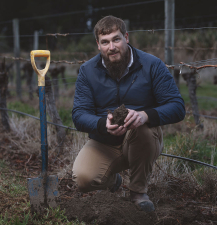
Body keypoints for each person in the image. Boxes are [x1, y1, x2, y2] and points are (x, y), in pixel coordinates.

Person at [72, 15, 185, 212]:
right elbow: (79, 114)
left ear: (126, 37)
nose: (111, 47)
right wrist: (102, 125)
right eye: (105, 42)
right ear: (98, 45)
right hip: (105, 139)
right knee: (83, 180)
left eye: (116, 39)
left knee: (141, 129)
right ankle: (113, 181)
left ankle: (138, 192)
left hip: (142, 137)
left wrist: (145, 115)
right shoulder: (87, 71)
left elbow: (177, 106)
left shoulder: (152, 65)